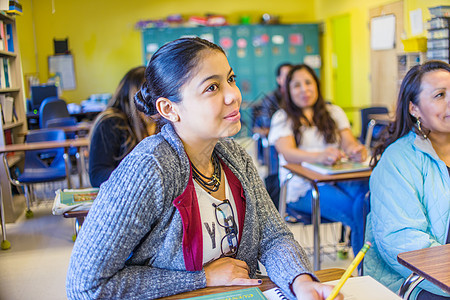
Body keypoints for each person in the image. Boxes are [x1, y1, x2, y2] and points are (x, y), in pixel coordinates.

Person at [66, 38, 342, 300]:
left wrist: (302, 282)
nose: (233, 95)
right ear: (169, 108)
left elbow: (273, 237)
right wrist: (200, 278)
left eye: (230, 80)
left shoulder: (235, 157)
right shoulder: (150, 168)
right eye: (212, 87)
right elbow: (86, 285)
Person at [364, 60, 450, 300]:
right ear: (414, 109)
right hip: (421, 280)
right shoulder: (398, 160)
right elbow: (402, 240)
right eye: (440, 95)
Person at [268, 64, 369, 256]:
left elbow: (349, 143)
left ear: (317, 85)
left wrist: (357, 151)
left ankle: (367, 262)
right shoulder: (282, 118)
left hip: (337, 177)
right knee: (356, 212)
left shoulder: (334, 112)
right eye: (297, 85)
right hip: (303, 187)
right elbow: (288, 152)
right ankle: (365, 268)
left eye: (308, 82)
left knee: (366, 196)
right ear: (288, 91)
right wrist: (319, 156)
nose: (304, 89)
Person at [88, 66, 158, 187]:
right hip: (121, 196)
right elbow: (97, 175)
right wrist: (139, 178)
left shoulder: (159, 122)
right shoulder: (110, 122)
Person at [254, 63, 293, 136]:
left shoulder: (296, 97)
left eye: (291, 76)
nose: (289, 80)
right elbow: (267, 126)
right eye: (286, 76)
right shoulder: (270, 99)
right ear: (279, 80)